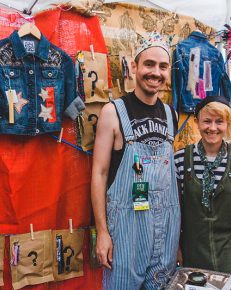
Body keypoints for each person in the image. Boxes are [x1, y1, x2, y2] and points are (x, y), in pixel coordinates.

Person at [91, 32, 180, 289]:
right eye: (149, 64)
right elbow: (99, 173)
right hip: (127, 227)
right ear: (134, 67)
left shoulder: (170, 114)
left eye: (163, 66)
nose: (156, 72)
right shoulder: (113, 111)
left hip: (166, 225)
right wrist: (103, 232)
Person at [174, 96, 231, 276]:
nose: (212, 128)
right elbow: (175, 213)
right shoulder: (180, 160)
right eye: (207, 121)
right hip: (193, 253)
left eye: (219, 122)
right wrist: (175, 248)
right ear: (197, 122)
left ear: (227, 124)